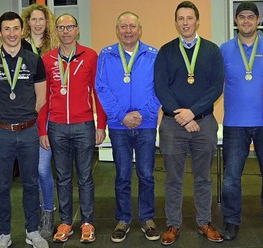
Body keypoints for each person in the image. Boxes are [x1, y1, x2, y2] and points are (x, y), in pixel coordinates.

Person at [154, 1, 224, 245]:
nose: (185, 22)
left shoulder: (212, 50)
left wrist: (192, 113)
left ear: (197, 21)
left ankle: (204, 221)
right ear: (176, 22)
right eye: (181, 18)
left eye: (189, 18)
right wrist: (182, 116)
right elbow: (160, 87)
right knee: (173, 178)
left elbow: (217, 86)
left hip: (203, 123)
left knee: (203, 178)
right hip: (173, 126)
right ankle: (173, 224)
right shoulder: (166, 51)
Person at [0, 11, 48, 248]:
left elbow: (41, 97)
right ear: (0, 32)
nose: (11, 33)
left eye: (16, 28)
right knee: (1, 186)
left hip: (28, 130)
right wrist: (4, 119)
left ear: (22, 30)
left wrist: (25, 117)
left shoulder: (33, 60)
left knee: (31, 183)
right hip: (2, 133)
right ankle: (4, 234)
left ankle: (32, 230)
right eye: (6, 29)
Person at [38, 13, 107, 244]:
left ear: (78, 30)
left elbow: (98, 92)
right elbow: (43, 98)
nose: (65, 31)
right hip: (57, 126)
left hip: (84, 125)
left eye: (70, 26)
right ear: (56, 31)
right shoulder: (47, 59)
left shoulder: (90, 56)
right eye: (61, 27)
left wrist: (101, 124)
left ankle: (87, 222)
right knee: (63, 177)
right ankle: (66, 222)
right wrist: (42, 130)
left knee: (85, 177)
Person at [95, 11, 161, 243]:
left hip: (146, 125)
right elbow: (101, 88)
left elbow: (160, 88)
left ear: (140, 29)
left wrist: (143, 115)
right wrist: (122, 116)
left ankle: (147, 219)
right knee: (122, 175)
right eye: (123, 26)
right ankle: (123, 219)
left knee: (146, 174)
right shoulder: (106, 54)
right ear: (117, 30)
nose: (128, 30)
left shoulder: (154, 55)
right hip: (118, 125)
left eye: (132, 26)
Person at [219, 1, 263, 241]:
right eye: (241, 17)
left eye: (250, 17)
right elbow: (214, 83)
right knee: (231, 177)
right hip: (234, 123)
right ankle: (231, 221)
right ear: (236, 20)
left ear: (258, 20)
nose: (246, 21)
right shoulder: (224, 49)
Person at [20, 3, 59, 240]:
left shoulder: (54, 47)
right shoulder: (18, 46)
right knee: (29, 170)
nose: (37, 24)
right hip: (24, 115)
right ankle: (32, 214)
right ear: (27, 22)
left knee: (42, 168)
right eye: (33, 19)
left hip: (48, 115)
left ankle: (48, 212)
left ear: (47, 23)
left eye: (41, 20)